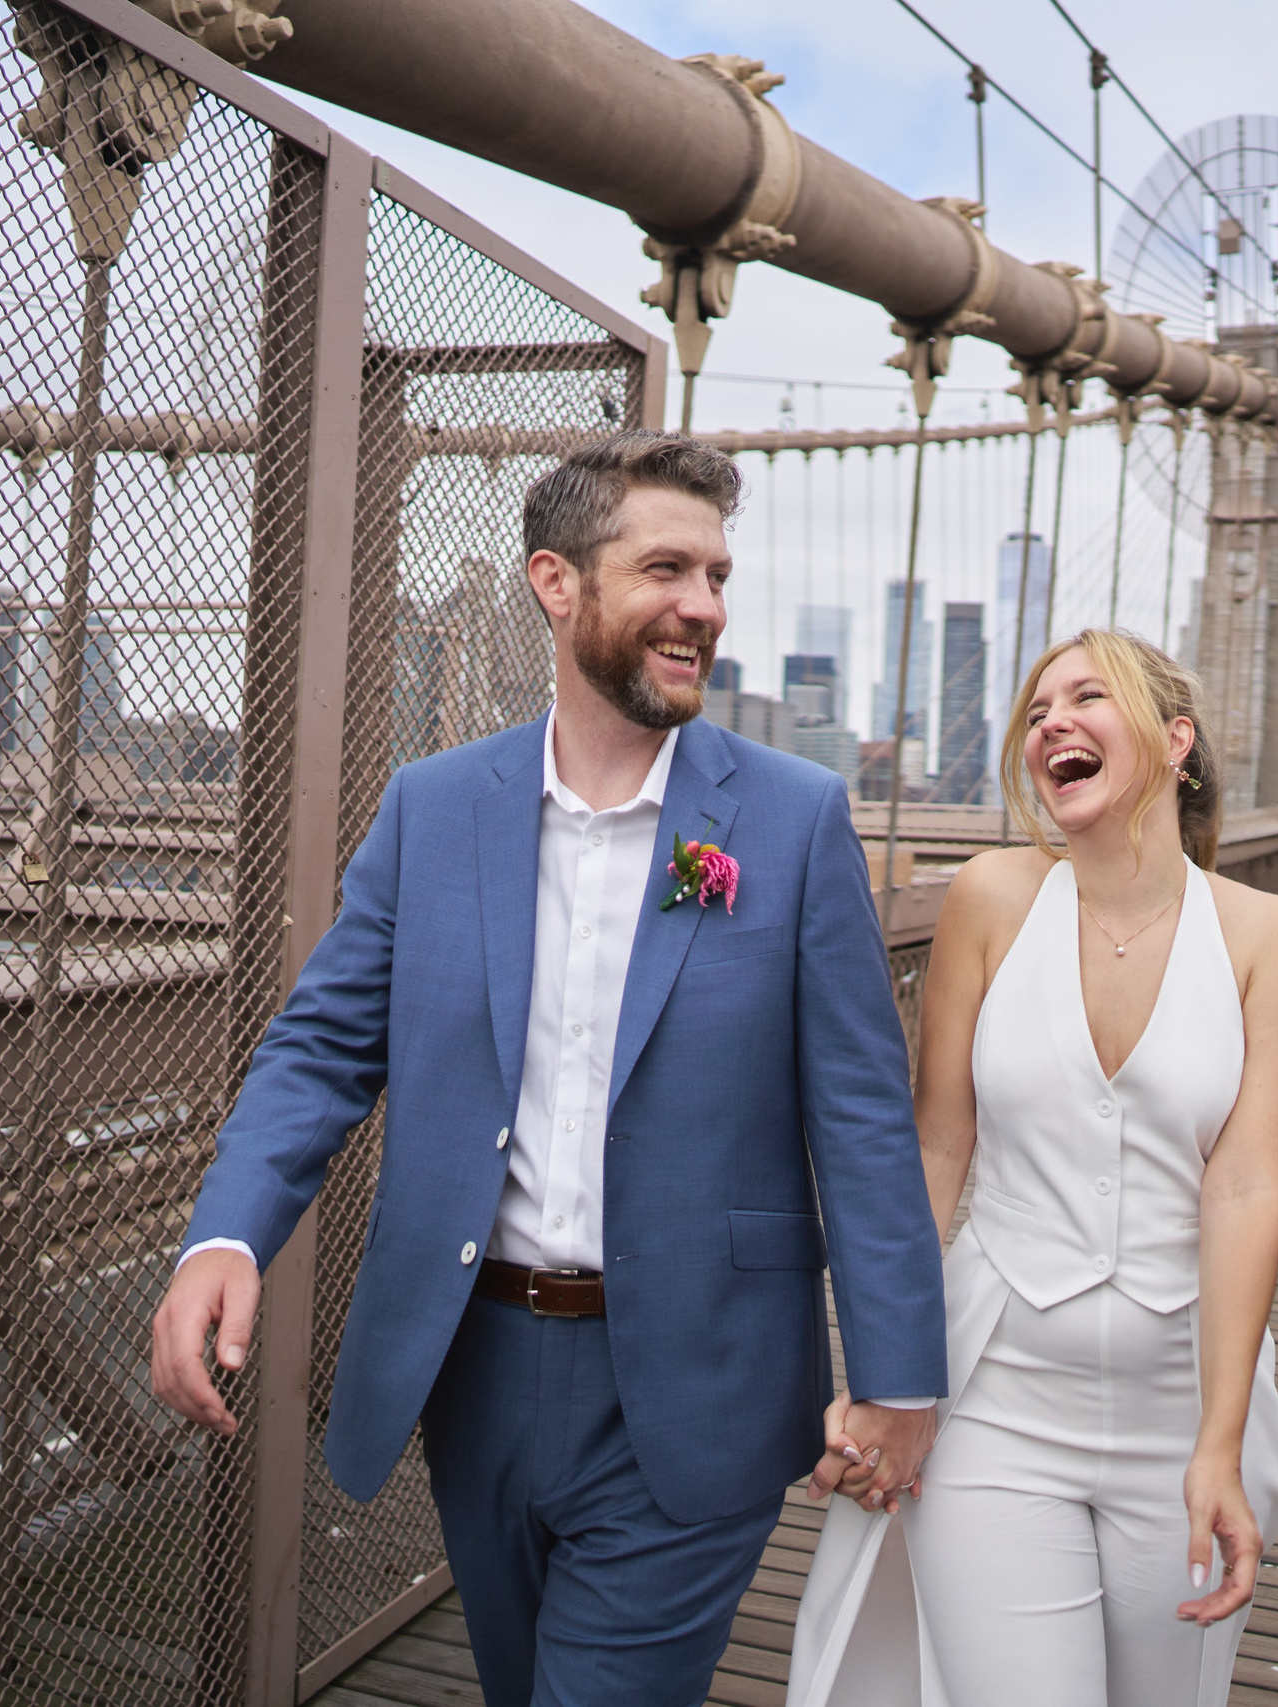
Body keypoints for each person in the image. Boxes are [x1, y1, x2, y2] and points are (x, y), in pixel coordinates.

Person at [150, 431, 947, 1707]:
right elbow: (319, 1047)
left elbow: (860, 1119)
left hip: (698, 1380)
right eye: (666, 569)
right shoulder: (432, 807)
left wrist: (899, 1373)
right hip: (473, 1371)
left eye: (717, 575)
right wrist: (225, 1236)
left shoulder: (793, 821)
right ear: (556, 582)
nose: (705, 605)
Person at [789, 629, 1278, 1707]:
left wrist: (1219, 1446)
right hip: (998, 1400)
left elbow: (1245, 1184)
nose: (1052, 724)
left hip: (1184, 1410)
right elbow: (938, 1144)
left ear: (1176, 740)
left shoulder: (1275, 936)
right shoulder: (990, 899)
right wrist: (885, 1378)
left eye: (1086, 698)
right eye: (1036, 713)